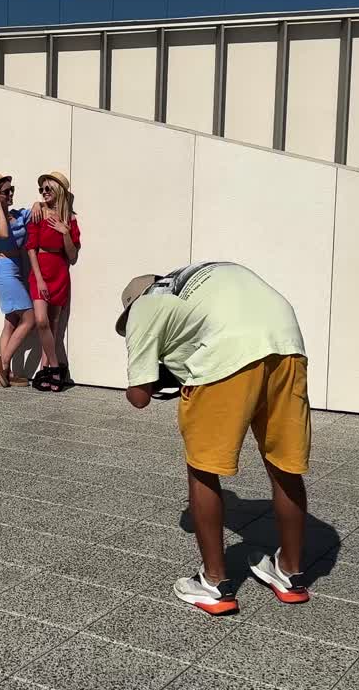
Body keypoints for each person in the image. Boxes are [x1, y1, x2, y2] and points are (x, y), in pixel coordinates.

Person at [116, 262, 312, 615]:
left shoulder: (144, 307)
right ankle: (290, 573)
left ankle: (214, 584)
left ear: (132, 304)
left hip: (225, 353)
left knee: (202, 468)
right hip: (287, 343)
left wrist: (158, 376)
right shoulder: (194, 281)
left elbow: (139, 397)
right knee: (283, 463)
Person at [0, 173, 39, 387]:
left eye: (12, 189)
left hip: (19, 271)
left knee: (11, 322)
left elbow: (33, 213)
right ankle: (3, 364)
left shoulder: (18, 215)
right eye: (6, 192)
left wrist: (36, 204)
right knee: (29, 319)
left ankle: (6, 372)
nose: (11, 194)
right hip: (6, 273)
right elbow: (4, 235)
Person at [25, 171, 81, 392]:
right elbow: (30, 248)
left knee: (55, 325)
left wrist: (65, 232)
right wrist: (38, 279)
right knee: (41, 320)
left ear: (59, 191)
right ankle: (56, 366)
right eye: (42, 189)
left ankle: (46, 368)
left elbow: (72, 256)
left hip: (60, 270)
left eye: (48, 188)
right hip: (40, 270)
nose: (44, 192)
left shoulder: (70, 219)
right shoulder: (37, 213)